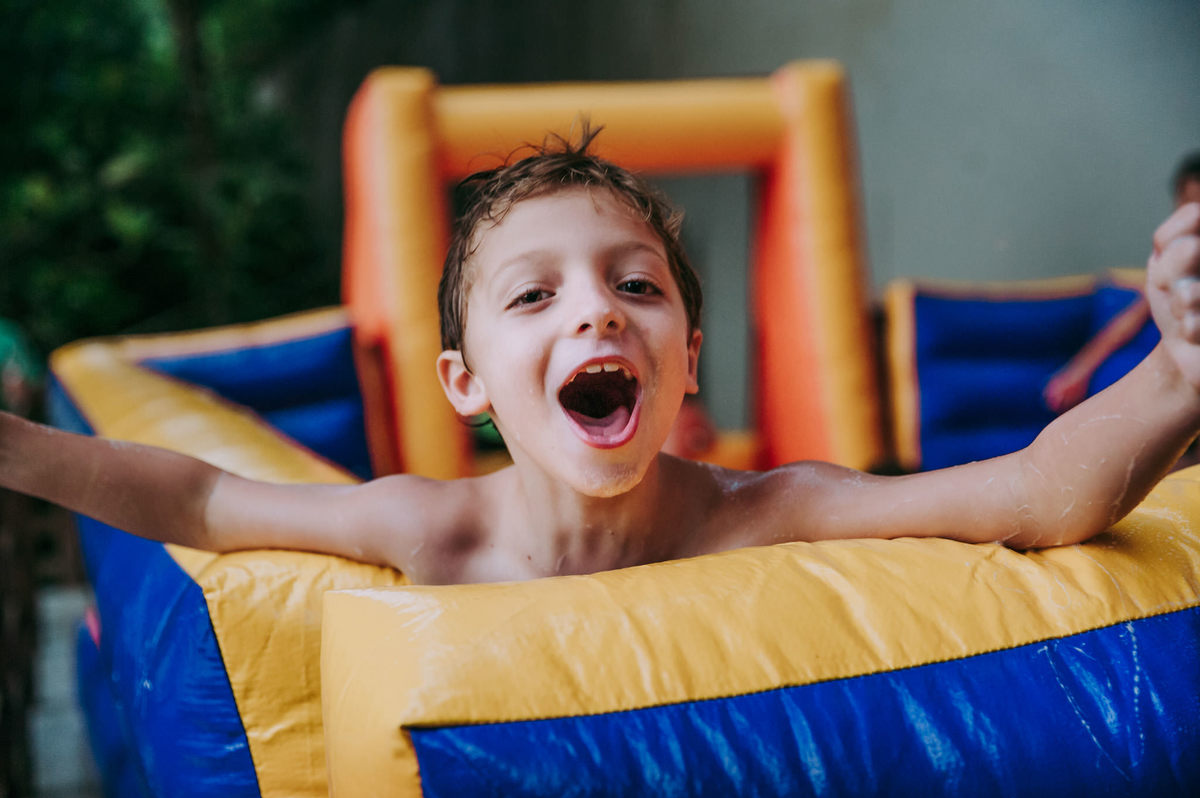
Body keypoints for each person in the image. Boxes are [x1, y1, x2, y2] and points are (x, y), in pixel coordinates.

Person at [3, 129, 1200, 586]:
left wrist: (1177, 373)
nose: (599, 314)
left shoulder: (775, 505)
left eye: (638, 286)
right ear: (464, 382)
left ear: (687, 361)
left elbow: (1038, 497)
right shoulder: (433, 531)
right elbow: (206, 493)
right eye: (535, 294)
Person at [1044, 149, 1200, 413]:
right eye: (1186, 202)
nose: (1193, 215)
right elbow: (1130, 320)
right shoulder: (1171, 262)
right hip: (1136, 383)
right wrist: (1078, 371)